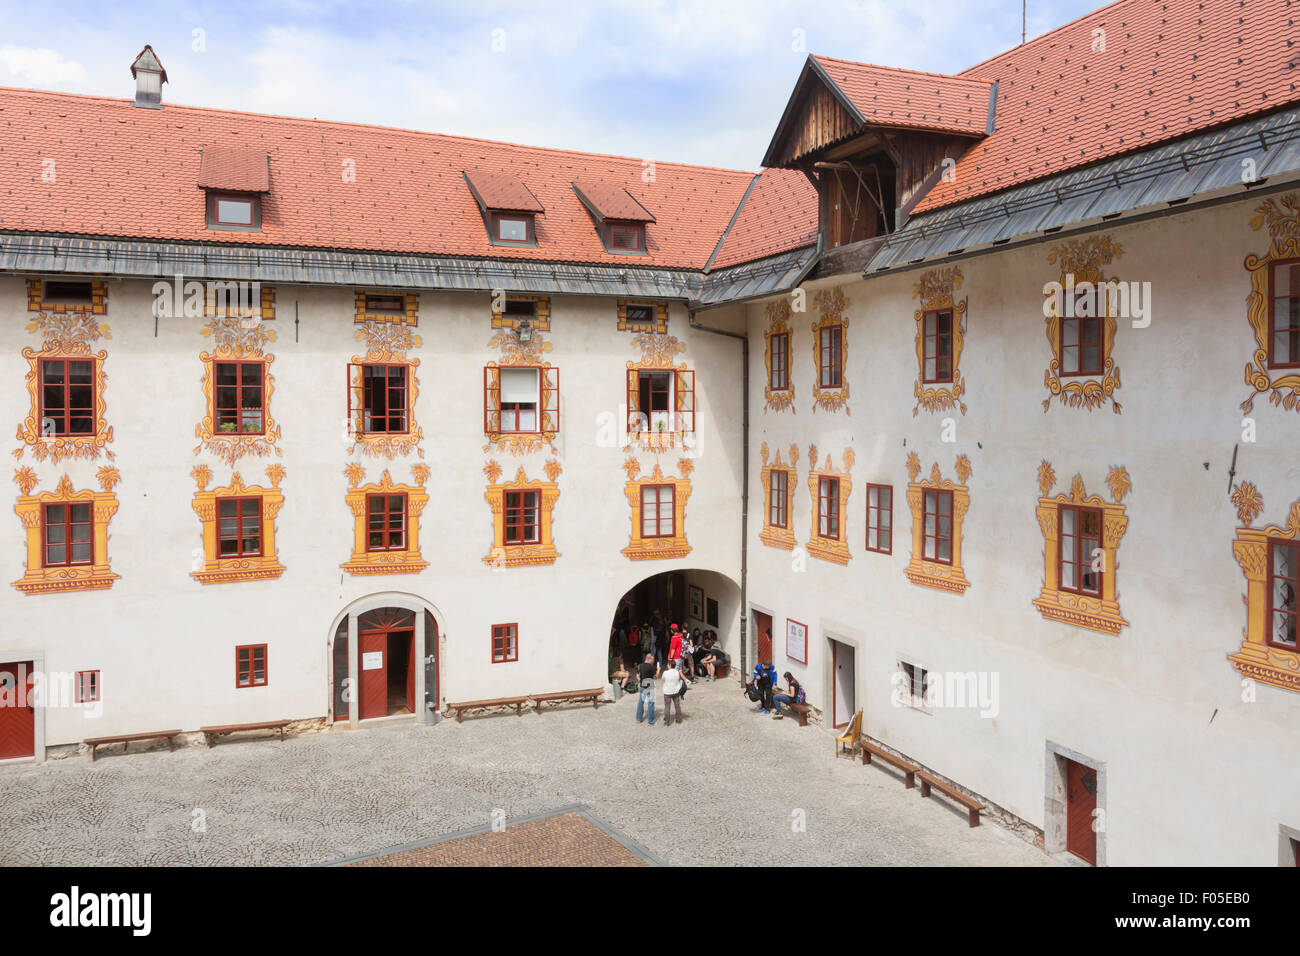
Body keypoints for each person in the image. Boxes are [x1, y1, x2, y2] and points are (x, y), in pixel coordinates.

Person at [635, 653, 659, 726]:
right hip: (650, 686)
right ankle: (650, 721)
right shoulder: (651, 667)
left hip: (642, 686)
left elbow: (637, 676)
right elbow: (656, 676)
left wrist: (640, 680)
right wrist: (658, 670)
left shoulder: (640, 666)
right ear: (649, 659)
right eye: (653, 660)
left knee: (640, 702)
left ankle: (638, 719)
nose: (653, 661)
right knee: (651, 703)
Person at [661, 656, 684, 727]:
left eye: (668, 664)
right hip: (676, 691)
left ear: (670, 665)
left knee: (667, 707)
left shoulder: (665, 672)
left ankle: (667, 721)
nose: (667, 666)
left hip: (667, 692)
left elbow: (662, 679)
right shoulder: (677, 672)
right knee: (677, 706)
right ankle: (678, 719)